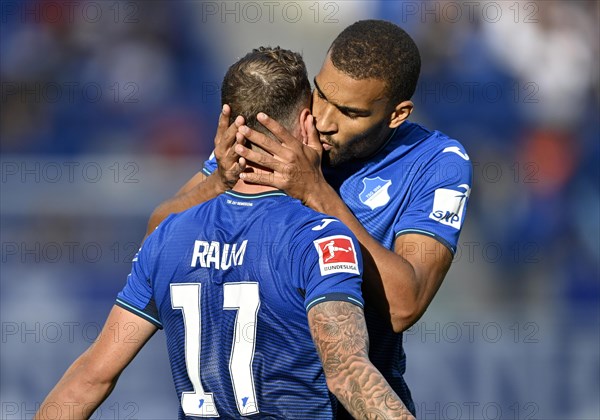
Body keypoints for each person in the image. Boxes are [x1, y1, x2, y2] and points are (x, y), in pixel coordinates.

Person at [34, 47, 415, 420]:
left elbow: (91, 377)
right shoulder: (319, 240)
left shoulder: (169, 237)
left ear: (228, 127)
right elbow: (348, 374)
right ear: (304, 123)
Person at [147, 20, 473, 418]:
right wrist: (218, 181)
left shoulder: (435, 162)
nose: (324, 120)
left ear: (396, 114)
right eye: (322, 95)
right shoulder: (284, 124)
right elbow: (157, 235)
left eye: (351, 112)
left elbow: (406, 304)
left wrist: (316, 192)